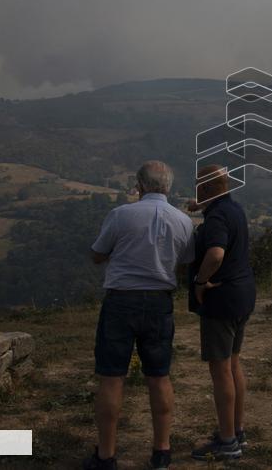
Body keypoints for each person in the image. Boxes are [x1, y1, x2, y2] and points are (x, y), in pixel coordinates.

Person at [85, 160, 194, 470]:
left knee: (111, 377)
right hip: (160, 303)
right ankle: (161, 451)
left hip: (121, 301)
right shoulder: (183, 221)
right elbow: (186, 260)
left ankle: (106, 456)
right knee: (159, 377)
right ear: (169, 187)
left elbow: (97, 254)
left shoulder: (121, 215)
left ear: (140, 186)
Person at [187, 165, 256, 462]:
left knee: (220, 370)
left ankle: (227, 443)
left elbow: (216, 253)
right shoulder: (234, 209)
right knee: (233, 364)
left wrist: (200, 282)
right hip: (243, 295)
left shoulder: (216, 216)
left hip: (222, 298)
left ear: (204, 188)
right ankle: (237, 430)